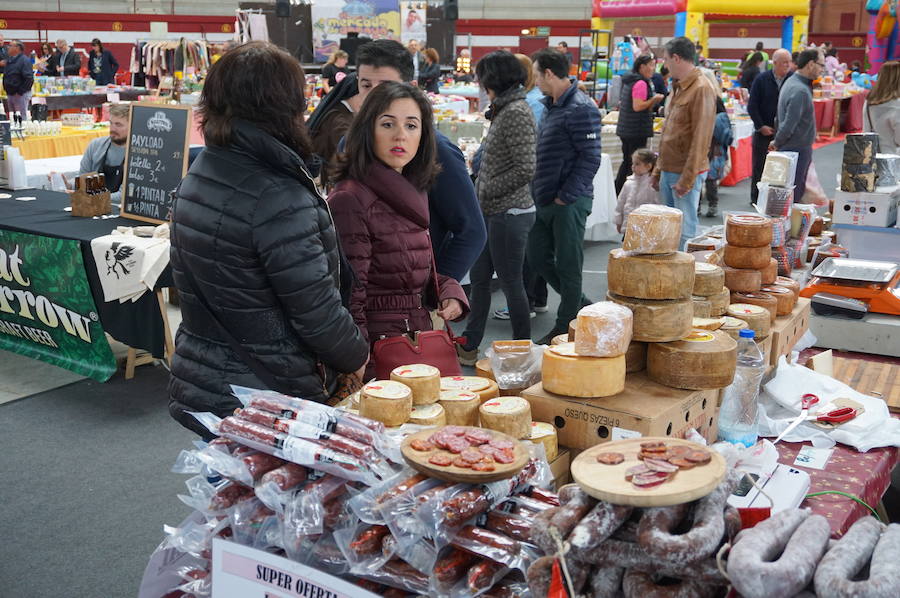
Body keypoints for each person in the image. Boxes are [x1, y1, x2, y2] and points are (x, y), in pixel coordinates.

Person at [168, 42, 368, 439]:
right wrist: (356, 356)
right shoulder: (278, 194)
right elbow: (316, 312)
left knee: (226, 494)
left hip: (208, 376)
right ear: (285, 105)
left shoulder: (205, 170)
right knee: (279, 496)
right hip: (267, 391)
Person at [329, 81, 468, 378]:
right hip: (382, 352)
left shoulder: (411, 188)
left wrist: (449, 290)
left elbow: (407, 272)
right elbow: (350, 293)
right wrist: (360, 362)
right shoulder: (352, 198)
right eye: (388, 123)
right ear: (367, 129)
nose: (400, 135)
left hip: (414, 339)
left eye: (411, 125)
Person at [354, 39, 486, 282]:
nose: (373, 96)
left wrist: (438, 290)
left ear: (410, 88)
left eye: (385, 86)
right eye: (366, 85)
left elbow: (472, 231)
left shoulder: (437, 150)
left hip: (413, 298)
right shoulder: (351, 144)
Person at [458, 51, 537, 364]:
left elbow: (526, 168)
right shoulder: (504, 110)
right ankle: (469, 344)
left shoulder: (516, 112)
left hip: (510, 213)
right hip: (492, 212)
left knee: (510, 283)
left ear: (492, 80)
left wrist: (487, 188)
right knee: (479, 280)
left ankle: (523, 350)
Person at [528, 48, 602, 344]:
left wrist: (566, 196)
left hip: (568, 201)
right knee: (537, 257)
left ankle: (564, 326)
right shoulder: (550, 105)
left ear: (549, 73)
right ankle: (582, 304)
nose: (535, 81)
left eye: (537, 75)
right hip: (545, 198)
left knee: (569, 264)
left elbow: (590, 158)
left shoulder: (582, 108)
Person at [652, 37, 716, 249]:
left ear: (676, 58)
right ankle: (671, 275)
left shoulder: (701, 88)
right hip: (670, 168)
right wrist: (658, 170)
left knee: (685, 231)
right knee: (669, 229)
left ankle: (684, 277)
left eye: (666, 59)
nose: (665, 64)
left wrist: (687, 178)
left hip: (684, 171)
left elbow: (701, 138)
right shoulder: (678, 87)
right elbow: (669, 132)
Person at [772, 48, 823, 204]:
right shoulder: (800, 89)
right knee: (793, 196)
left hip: (793, 147)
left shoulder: (793, 81)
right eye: (821, 65)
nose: (822, 70)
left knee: (789, 193)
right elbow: (789, 123)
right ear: (810, 64)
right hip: (796, 148)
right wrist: (777, 142)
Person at [748, 48, 792, 205]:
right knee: (760, 167)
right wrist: (761, 126)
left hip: (785, 133)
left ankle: (778, 201)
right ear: (775, 63)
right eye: (784, 62)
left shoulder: (792, 80)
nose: (788, 65)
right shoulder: (761, 79)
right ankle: (756, 199)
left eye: (789, 62)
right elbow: (752, 106)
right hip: (764, 132)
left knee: (783, 169)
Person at [615, 54, 664, 194]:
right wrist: (654, 99)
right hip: (635, 129)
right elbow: (637, 106)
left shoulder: (630, 81)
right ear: (642, 67)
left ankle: (619, 190)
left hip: (628, 127)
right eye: (651, 65)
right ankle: (626, 191)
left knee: (627, 161)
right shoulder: (641, 83)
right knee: (634, 162)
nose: (653, 68)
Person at [309, 73, 363, 188]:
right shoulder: (339, 118)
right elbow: (348, 149)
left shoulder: (339, 110)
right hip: (327, 179)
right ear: (353, 94)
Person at [74, 103, 129, 203]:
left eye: (118, 124)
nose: (112, 129)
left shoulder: (139, 155)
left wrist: (94, 198)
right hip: (94, 208)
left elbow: (125, 195)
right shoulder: (95, 146)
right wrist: (69, 185)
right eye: (111, 123)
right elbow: (83, 181)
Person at [698, 92, 734, 218]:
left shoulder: (717, 118)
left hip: (711, 152)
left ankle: (706, 205)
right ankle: (709, 205)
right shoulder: (721, 117)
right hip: (713, 152)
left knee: (705, 180)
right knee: (707, 180)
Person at [615, 148, 659, 233]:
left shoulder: (652, 185)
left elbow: (657, 205)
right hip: (628, 227)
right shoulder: (628, 183)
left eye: (637, 164)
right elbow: (620, 203)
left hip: (647, 228)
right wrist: (618, 221)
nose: (633, 166)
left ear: (648, 166)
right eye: (633, 163)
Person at [863, 60, 900, 153]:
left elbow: (866, 131)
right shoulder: (897, 104)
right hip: (894, 159)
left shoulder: (869, 101)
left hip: (873, 156)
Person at [3, 41, 33, 120]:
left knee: (21, 118)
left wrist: (20, 92)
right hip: (10, 94)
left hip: (20, 95)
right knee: (13, 118)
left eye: (10, 46)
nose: (8, 48)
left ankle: (22, 132)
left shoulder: (24, 60)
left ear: (17, 48)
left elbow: (29, 78)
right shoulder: (9, 60)